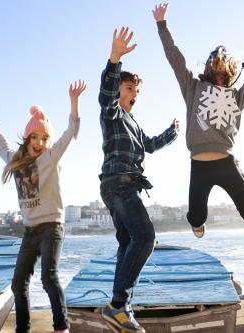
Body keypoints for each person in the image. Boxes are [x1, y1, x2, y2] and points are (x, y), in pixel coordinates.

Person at [152, 3, 244, 238]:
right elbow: (175, 59)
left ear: (229, 75)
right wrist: (162, 26)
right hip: (199, 166)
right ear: (208, 69)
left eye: (223, 73)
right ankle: (197, 223)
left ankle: (238, 169)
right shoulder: (193, 88)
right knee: (196, 219)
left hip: (226, 164)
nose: (218, 76)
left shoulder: (237, 96)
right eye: (215, 70)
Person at [0, 80, 87, 333]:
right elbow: (3, 147)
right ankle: (22, 330)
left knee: (49, 277)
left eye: (44, 138)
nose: (40, 142)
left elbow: (70, 132)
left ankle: (62, 328)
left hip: (51, 227)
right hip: (30, 232)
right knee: (18, 284)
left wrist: (74, 102)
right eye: (35, 137)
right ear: (27, 138)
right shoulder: (16, 162)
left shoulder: (50, 158)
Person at [98, 27, 179, 333]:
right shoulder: (113, 113)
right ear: (120, 89)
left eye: (137, 92)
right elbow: (105, 97)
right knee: (145, 238)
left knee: (127, 242)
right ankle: (118, 305)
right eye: (129, 89)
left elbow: (151, 145)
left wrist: (172, 132)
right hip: (119, 183)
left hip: (121, 185)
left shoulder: (132, 121)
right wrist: (115, 59)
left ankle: (121, 308)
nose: (134, 95)